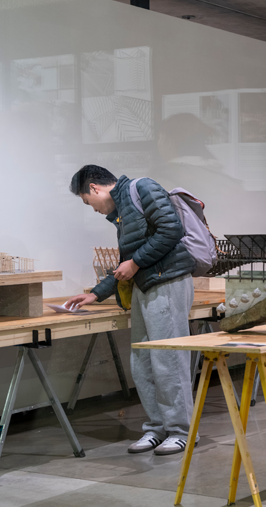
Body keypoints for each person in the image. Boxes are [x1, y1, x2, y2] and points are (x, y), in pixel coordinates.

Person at [64, 165, 196, 456]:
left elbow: (171, 229)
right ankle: (156, 429)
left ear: (95, 188)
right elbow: (126, 264)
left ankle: (181, 431)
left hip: (168, 281)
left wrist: (135, 263)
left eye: (88, 201)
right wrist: (96, 295)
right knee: (142, 361)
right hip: (144, 286)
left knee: (168, 360)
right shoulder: (122, 211)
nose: (93, 209)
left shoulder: (142, 187)